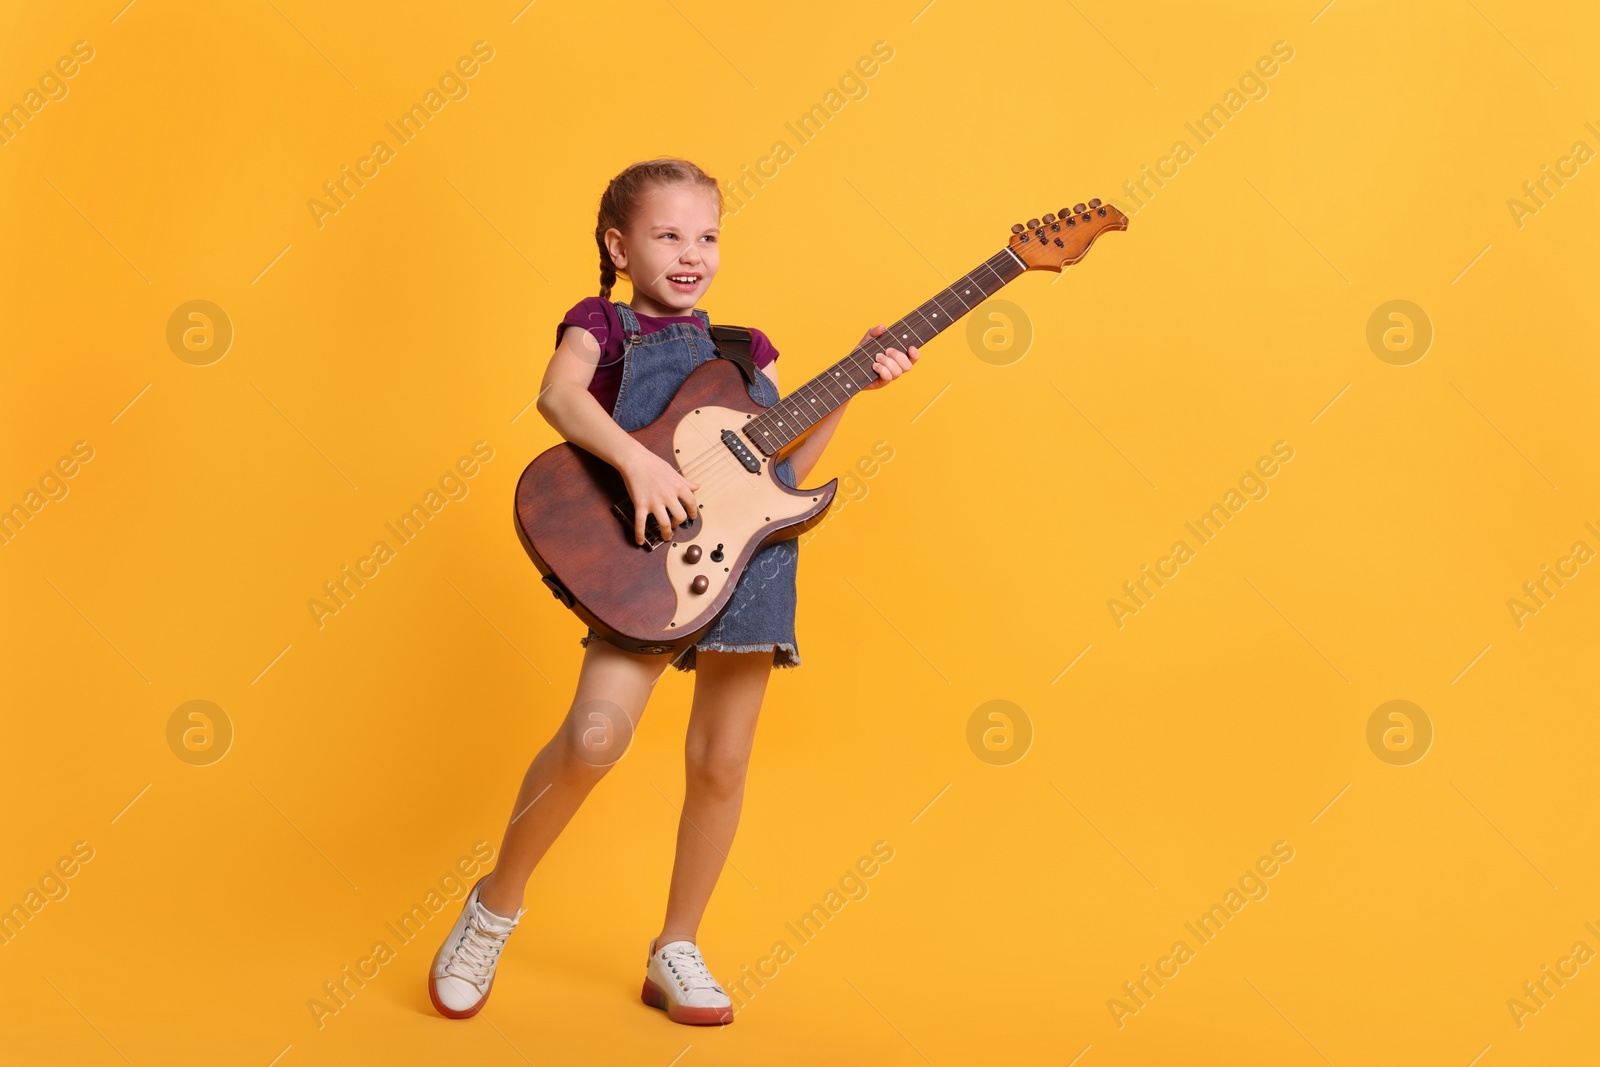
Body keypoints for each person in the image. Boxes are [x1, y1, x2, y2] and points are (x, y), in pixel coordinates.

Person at [428, 157, 919, 1026]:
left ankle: (676, 945)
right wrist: (636, 459)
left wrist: (854, 386)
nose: (691, 253)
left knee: (721, 763)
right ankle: (494, 907)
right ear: (620, 246)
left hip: (751, 563)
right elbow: (557, 397)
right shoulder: (602, 326)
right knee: (595, 736)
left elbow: (789, 474)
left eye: (708, 235)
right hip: (646, 557)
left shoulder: (746, 353)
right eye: (668, 235)